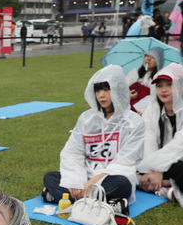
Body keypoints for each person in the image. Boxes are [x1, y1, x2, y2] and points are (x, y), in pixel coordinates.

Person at [43, 65, 146, 208]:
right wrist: (76, 182)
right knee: (50, 177)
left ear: (118, 89)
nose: (101, 95)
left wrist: (93, 182)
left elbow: (126, 160)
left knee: (122, 184)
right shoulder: (87, 118)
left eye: (106, 89)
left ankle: (63, 197)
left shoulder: (134, 122)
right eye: (97, 90)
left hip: (111, 177)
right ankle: (106, 202)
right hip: (86, 174)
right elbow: (73, 151)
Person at [136, 63, 183, 198]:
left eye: (169, 84)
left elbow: (180, 145)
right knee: (129, 160)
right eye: (160, 86)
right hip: (151, 160)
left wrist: (158, 170)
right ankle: (162, 186)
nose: (164, 90)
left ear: (182, 86)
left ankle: (146, 182)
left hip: (180, 159)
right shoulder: (152, 109)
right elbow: (148, 140)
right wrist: (152, 169)